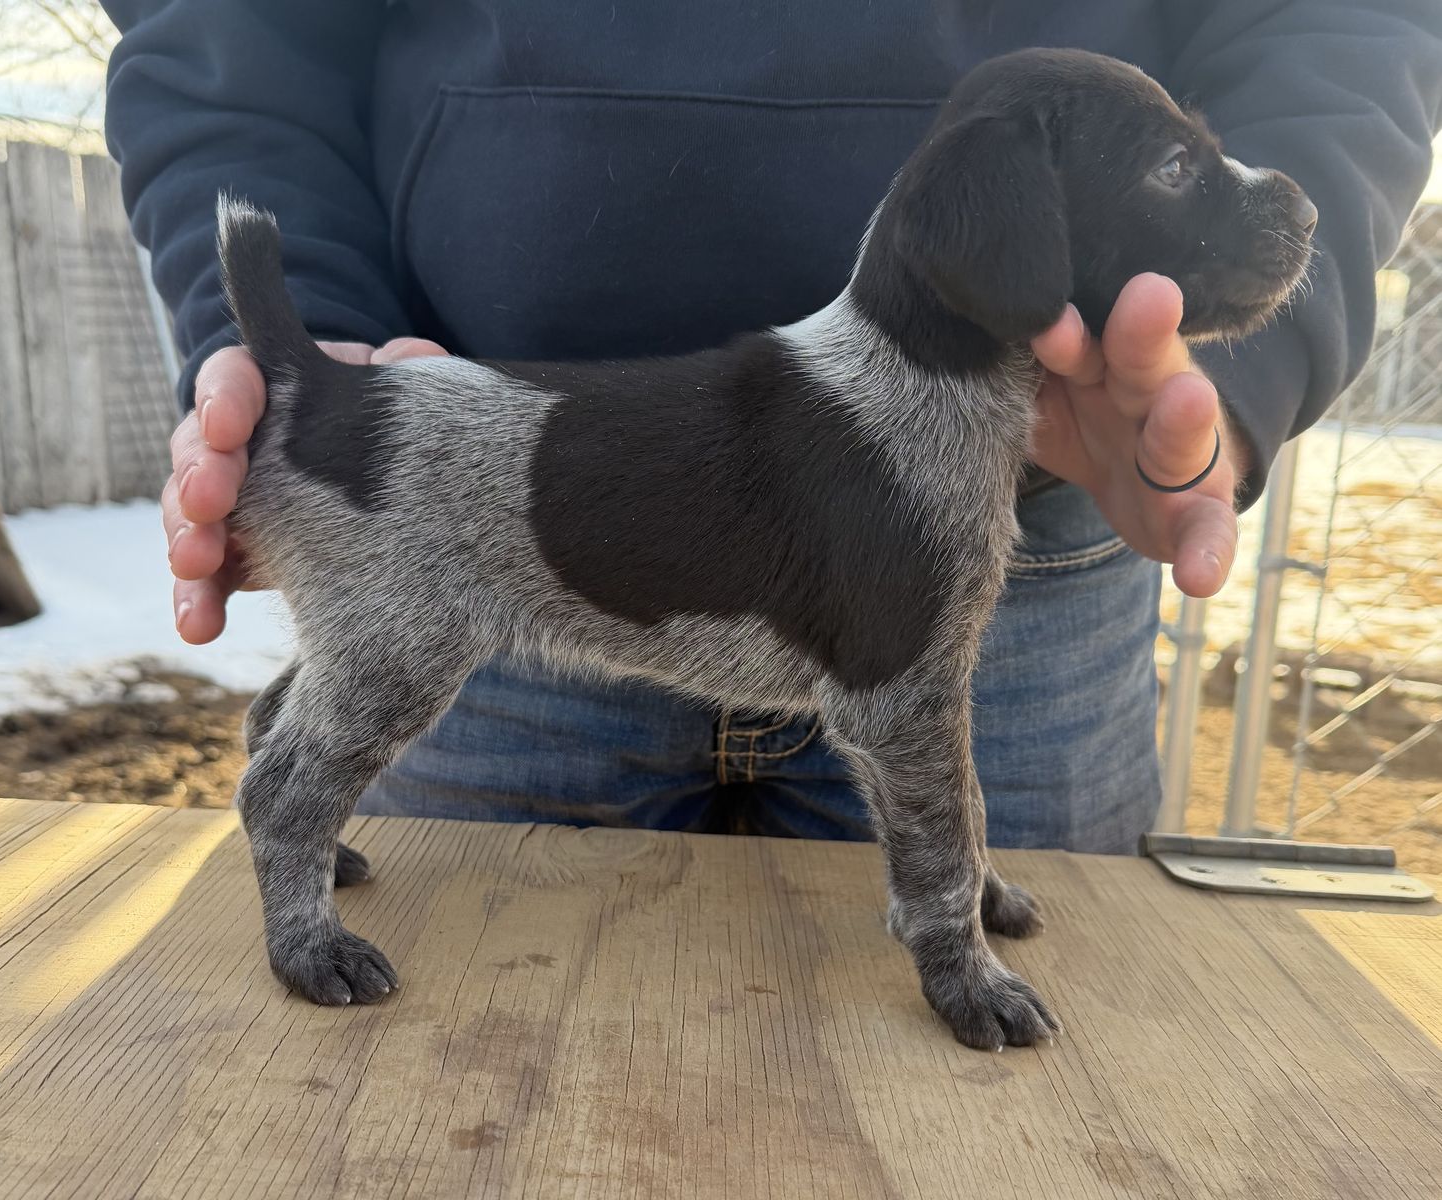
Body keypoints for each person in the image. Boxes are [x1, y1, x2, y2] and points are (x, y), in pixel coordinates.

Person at [104, 0, 1442, 851]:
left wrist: (1221, 388)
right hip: (491, 519)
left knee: (1006, 1128)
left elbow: (1343, 22)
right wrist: (312, 335)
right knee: (452, 1096)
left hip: (1030, 555)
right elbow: (228, 34)